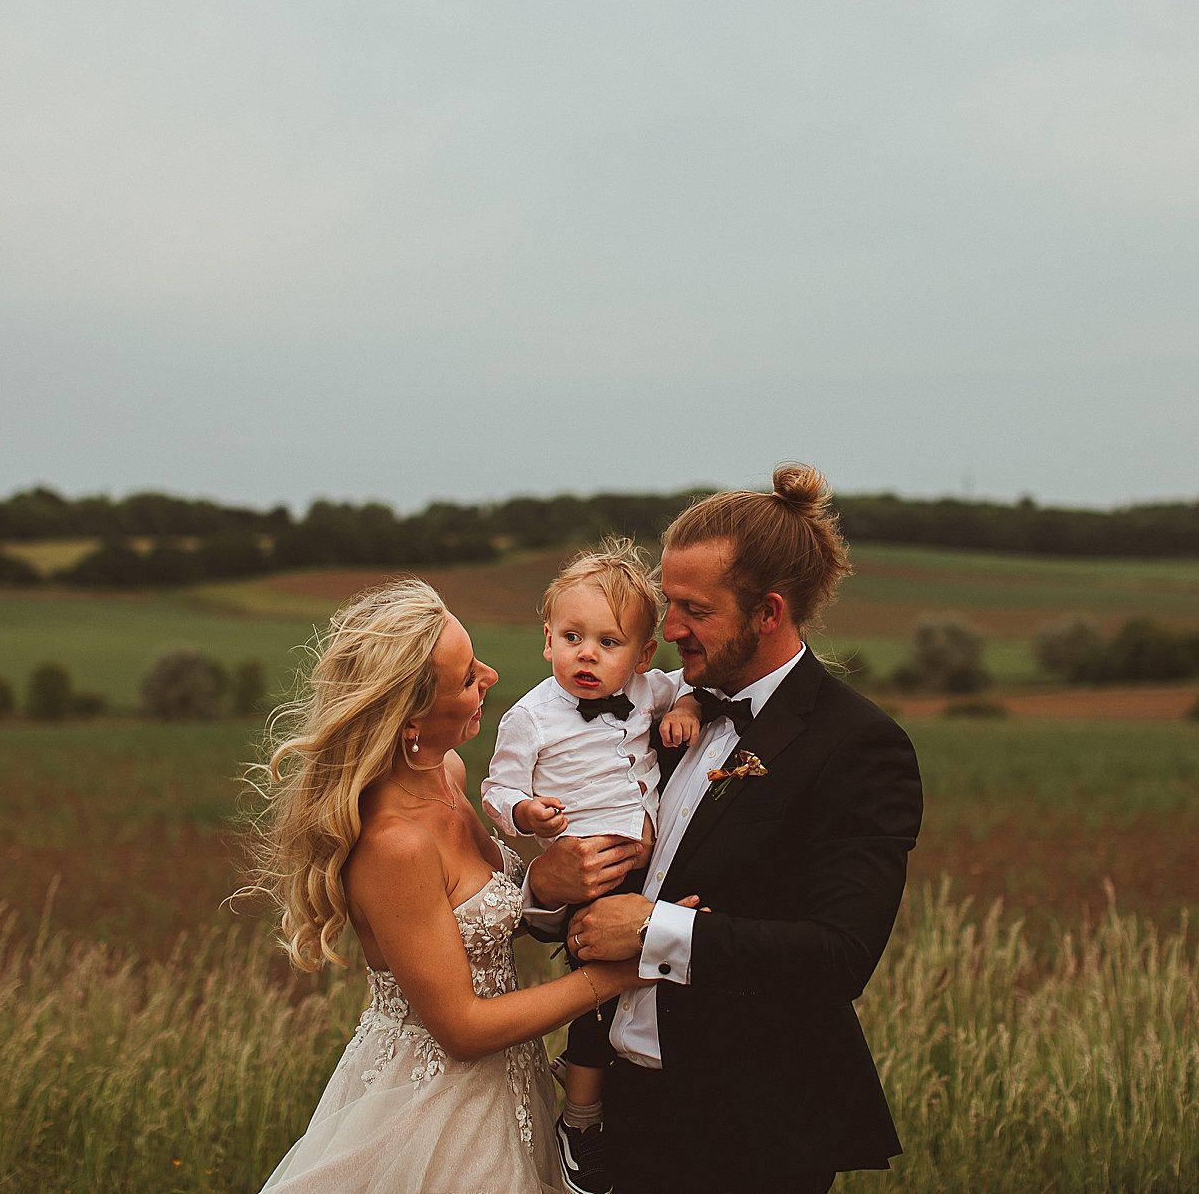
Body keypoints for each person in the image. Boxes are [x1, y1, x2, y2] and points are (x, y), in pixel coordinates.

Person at [527, 464, 926, 1194]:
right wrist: (546, 892)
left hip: (745, 1131)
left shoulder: (856, 745)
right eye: (665, 602)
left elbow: (840, 955)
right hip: (618, 1110)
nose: (668, 627)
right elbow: (593, 877)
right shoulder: (646, 712)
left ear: (768, 612)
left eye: (693, 610)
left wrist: (654, 931)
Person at [246, 579, 651, 1194]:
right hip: (435, 1105)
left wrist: (542, 883)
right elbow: (462, 1028)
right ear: (409, 719)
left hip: (514, 1081)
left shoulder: (448, 773)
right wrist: (620, 975)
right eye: (466, 678)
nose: (489, 676)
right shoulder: (395, 845)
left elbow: (479, 916)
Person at [479, 539, 705, 1194]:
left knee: (648, 986)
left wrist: (686, 707)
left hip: (651, 868)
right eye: (572, 636)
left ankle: (606, 1106)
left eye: (608, 642)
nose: (587, 653)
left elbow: (695, 683)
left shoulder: (648, 692)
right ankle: (581, 1122)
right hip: (588, 872)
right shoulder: (530, 717)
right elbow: (496, 790)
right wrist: (528, 816)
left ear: (640, 656)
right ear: (547, 639)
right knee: (600, 995)